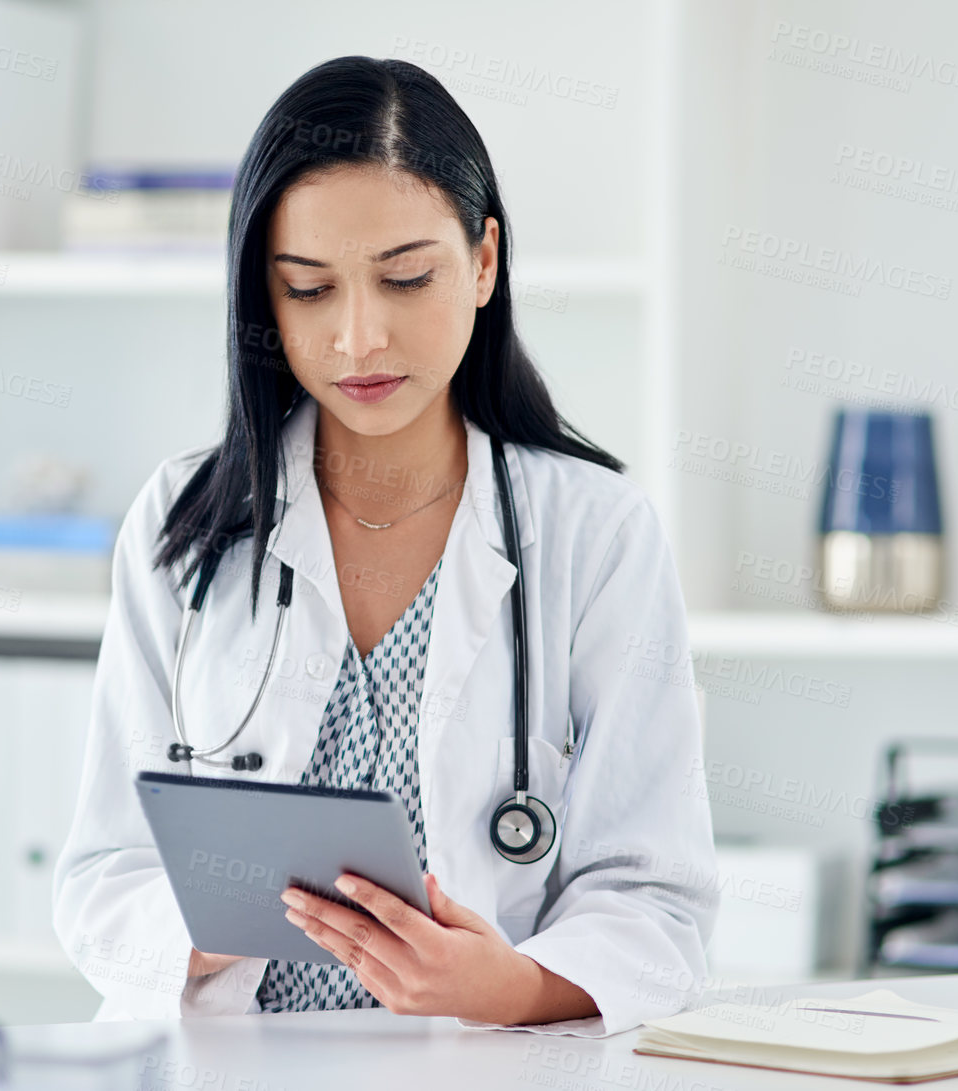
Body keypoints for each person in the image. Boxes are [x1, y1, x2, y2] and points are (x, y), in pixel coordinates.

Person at [53, 55, 717, 1035]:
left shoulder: (595, 533)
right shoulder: (181, 519)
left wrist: (509, 985)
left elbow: (655, 898)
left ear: (483, 261)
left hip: (479, 1061)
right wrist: (198, 924)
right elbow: (102, 871)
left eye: (406, 278)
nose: (358, 338)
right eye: (308, 290)